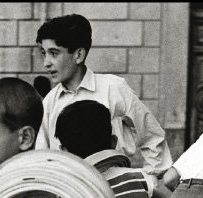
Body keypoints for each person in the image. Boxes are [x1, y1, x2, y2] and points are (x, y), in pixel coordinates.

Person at [35, 13, 173, 178]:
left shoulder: (113, 88)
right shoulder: (50, 102)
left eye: (54, 53)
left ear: (78, 55)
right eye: (44, 53)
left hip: (114, 190)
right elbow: (42, 156)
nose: (46, 63)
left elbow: (153, 137)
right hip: (70, 192)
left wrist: (148, 178)